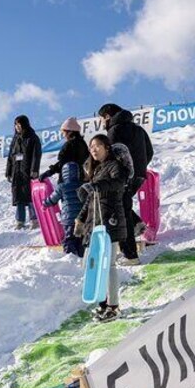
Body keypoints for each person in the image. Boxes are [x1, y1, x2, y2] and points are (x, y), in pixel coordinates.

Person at [75, 134, 133, 322]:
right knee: (94, 265)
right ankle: (103, 303)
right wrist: (80, 219)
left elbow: (118, 183)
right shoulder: (97, 170)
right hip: (96, 223)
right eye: (91, 147)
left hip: (111, 221)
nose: (93, 149)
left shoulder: (115, 166)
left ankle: (113, 306)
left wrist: (96, 185)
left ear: (107, 147)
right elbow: (91, 199)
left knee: (109, 265)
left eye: (97, 145)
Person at [97, 103, 154, 265]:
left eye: (102, 119)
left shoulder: (114, 130)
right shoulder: (138, 129)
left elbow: (111, 156)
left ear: (108, 116)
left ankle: (130, 255)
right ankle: (136, 224)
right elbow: (149, 152)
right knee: (123, 207)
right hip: (138, 176)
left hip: (122, 178)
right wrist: (139, 168)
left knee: (120, 213)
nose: (102, 122)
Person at [40, 117, 91, 257]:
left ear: (69, 131)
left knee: (70, 225)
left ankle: (70, 256)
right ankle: (82, 253)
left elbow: (62, 163)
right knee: (80, 225)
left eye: (64, 132)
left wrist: (49, 171)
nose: (63, 134)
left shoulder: (69, 145)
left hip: (68, 183)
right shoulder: (83, 144)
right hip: (80, 182)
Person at [5, 114, 42, 230]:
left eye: (19, 124)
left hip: (28, 171)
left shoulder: (32, 137)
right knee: (19, 196)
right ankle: (20, 221)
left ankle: (34, 219)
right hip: (17, 171)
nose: (17, 127)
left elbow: (37, 155)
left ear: (24, 124)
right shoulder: (15, 139)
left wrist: (34, 170)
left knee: (30, 196)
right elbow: (11, 156)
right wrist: (9, 171)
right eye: (15, 124)